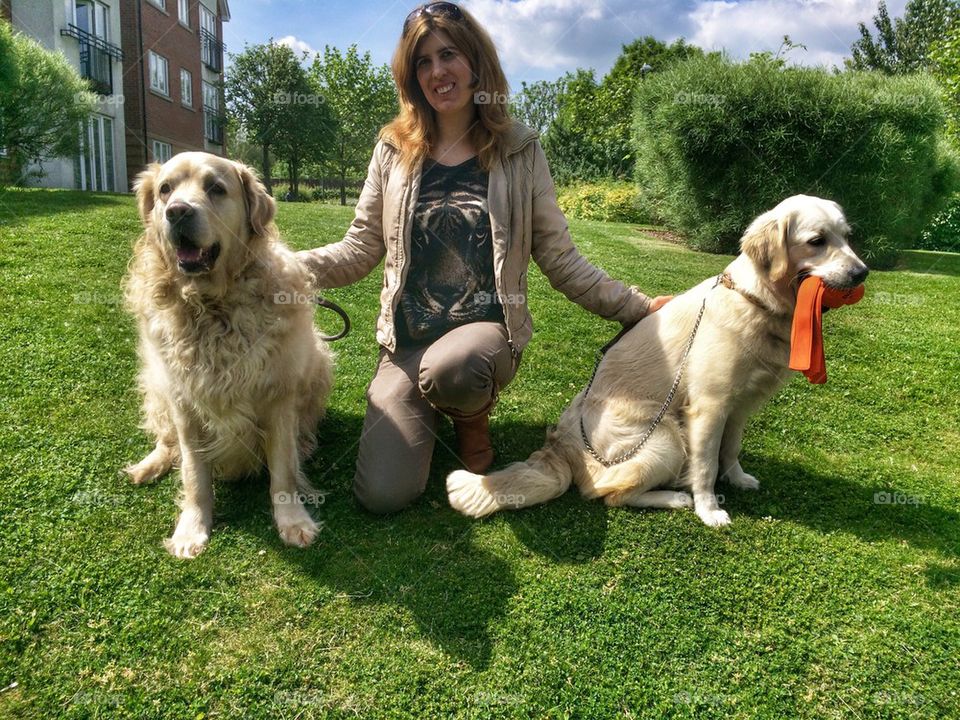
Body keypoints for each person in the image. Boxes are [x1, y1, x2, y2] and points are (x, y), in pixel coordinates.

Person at [297, 2, 670, 514]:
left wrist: (639, 308)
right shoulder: (392, 149)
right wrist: (281, 267)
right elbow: (360, 246)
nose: (437, 72)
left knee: (454, 367)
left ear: (476, 63)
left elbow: (560, 257)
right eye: (421, 62)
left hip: (483, 338)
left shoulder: (518, 149)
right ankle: (429, 404)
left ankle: (469, 419)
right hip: (406, 343)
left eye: (448, 54)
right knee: (383, 496)